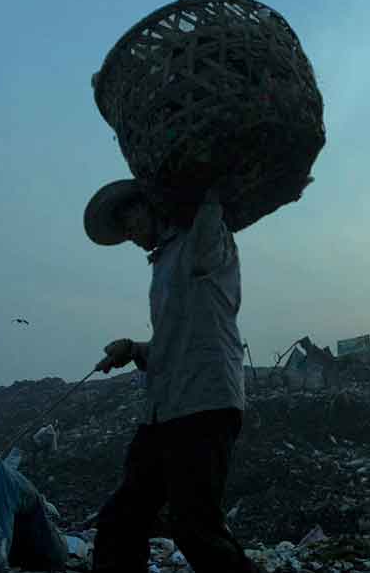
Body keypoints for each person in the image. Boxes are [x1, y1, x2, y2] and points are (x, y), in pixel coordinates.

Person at [84, 178, 256, 573]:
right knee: (121, 517)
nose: (130, 235)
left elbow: (208, 198)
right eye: (124, 231)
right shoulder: (163, 263)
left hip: (205, 402)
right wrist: (133, 349)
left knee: (195, 527)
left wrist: (201, 183)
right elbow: (175, 342)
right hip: (165, 408)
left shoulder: (202, 243)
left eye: (131, 222)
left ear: (153, 205)